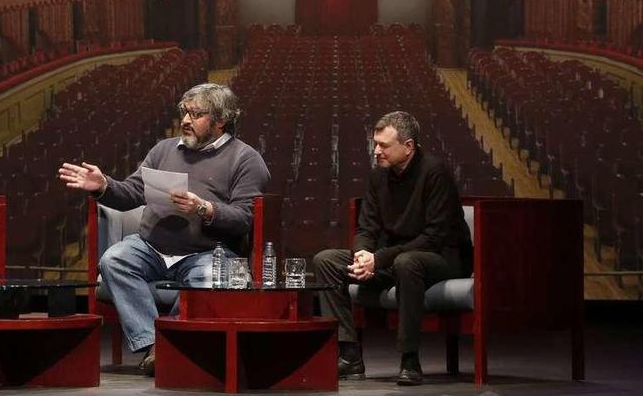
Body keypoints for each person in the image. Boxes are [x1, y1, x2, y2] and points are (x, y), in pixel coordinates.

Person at [59, 83, 270, 376]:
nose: (185, 120)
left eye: (195, 114)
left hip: (207, 252)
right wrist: (104, 186)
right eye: (184, 112)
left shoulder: (245, 159)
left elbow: (244, 218)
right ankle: (154, 343)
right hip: (152, 247)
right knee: (114, 258)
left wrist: (204, 208)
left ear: (220, 120)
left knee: (211, 277)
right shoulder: (164, 149)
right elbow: (133, 192)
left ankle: (167, 343)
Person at [313, 111, 472, 386]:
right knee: (326, 260)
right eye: (375, 143)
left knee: (407, 262)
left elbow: (433, 237)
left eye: (384, 145)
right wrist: (364, 254)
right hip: (393, 256)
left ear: (408, 146)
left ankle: (409, 360)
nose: (376, 151)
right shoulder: (378, 177)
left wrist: (379, 259)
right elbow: (366, 228)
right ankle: (349, 355)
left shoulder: (435, 173)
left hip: (442, 257)